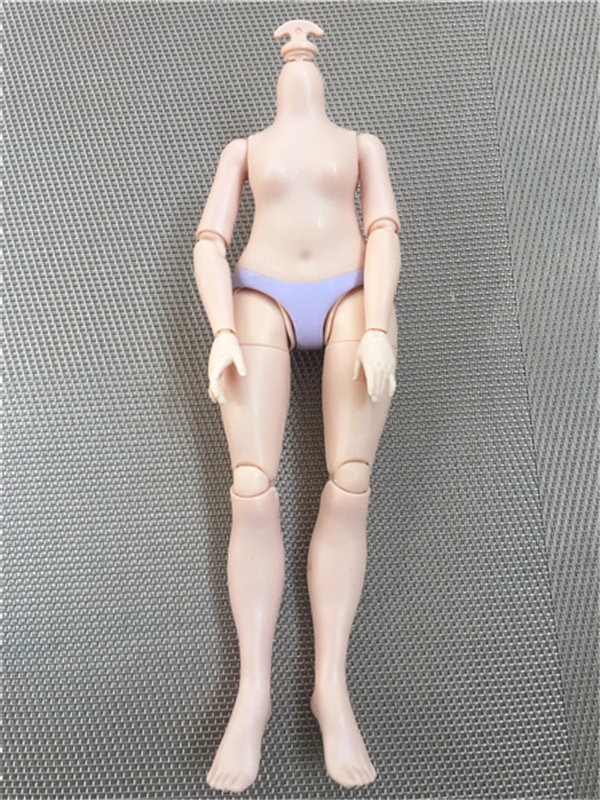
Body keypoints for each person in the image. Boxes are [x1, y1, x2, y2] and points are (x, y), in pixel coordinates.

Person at [193, 20, 401, 793]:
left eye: (306, 50)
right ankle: (252, 693)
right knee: (252, 488)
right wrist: (221, 329)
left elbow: (383, 230)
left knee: (351, 485)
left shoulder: (364, 144)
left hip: (351, 293)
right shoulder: (243, 149)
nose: (300, 59)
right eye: (292, 51)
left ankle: (330, 686)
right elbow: (209, 241)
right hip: (260, 292)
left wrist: (375, 325)